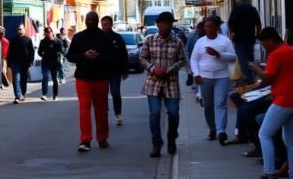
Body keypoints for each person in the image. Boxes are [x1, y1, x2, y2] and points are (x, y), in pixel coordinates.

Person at [248, 27, 293, 179]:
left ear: (270, 41)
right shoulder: (292, 51)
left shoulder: (276, 54)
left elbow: (267, 78)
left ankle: (269, 174)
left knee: (264, 134)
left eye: (264, 43)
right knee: (291, 141)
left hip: (283, 100)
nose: (263, 47)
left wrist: (257, 69)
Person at [140, 11, 187, 157]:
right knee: (154, 113)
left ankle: (171, 138)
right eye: (163, 23)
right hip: (153, 83)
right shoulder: (149, 40)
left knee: (173, 113)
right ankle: (156, 143)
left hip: (171, 83)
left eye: (169, 23)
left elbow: (182, 60)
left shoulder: (177, 42)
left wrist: (168, 70)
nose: (166, 26)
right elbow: (142, 58)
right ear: (158, 24)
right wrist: (153, 69)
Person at [66, 11, 114, 151]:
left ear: (97, 21)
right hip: (83, 78)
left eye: (93, 20)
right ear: (85, 21)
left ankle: (102, 138)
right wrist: (84, 56)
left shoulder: (104, 37)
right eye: (88, 20)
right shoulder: (78, 37)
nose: (90, 23)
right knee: (84, 109)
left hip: (100, 78)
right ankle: (85, 139)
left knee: (101, 109)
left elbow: (112, 56)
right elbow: (70, 56)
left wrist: (98, 56)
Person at [190, 16, 236, 144]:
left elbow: (233, 57)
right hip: (205, 77)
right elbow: (194, 59)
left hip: (221, 77)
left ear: (217, 27)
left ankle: (221, 131)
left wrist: (218, 54)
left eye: (210, 27)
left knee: (220, 103)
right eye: (205, 27)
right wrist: (196, 74)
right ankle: (212, 128)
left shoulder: (224, 41)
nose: (207, 29)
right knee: (208, 105)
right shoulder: (200, 42)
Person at [101, 15, 129, 125]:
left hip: (115, 71)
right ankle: (104, 113)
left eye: (107, 24)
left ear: (111, 24)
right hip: (102, 71)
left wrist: (125, 70)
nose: (105, 26)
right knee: (102, 94)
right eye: (103, 24)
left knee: (115, 92)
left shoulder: (117, 38)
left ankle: (118, 114)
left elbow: (124, 54)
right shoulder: (98, 38)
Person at [227, 0, 262, 83]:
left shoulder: (236, 10)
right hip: (250, 39)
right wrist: (258, 34)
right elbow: (258, 24)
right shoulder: (252, 9)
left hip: (239, 40)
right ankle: (251, 78)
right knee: (250, 60)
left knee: (243, 61)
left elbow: (230, 23)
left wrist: (232, 33)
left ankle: (250, 80)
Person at [6, 23, 35, 103]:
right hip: (15, 63)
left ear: (24, 30)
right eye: (18, 29)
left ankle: (23, 93)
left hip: (25, 63)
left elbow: (31, 52)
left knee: (23, 79)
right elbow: (10, 52)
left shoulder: (28, 40)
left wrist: (31, 61)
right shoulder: (13, 40)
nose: (19, 31)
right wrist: (9, 62)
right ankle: (17, 97)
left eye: (21, 29)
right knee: (16, 79)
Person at [37, 27, 63, 100]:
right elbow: (39, 52)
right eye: (47, 33)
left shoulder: (58, 41)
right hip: (45, 62)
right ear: (45, 34)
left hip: (54, 62)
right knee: (45, 77)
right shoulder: (43, 42)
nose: (49, 34)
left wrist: (59, 54)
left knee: (54, 78)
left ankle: (55, 95)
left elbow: (62, 50)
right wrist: (44, 55)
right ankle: (44, 94)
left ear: (52, 32)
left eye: (50, 32)